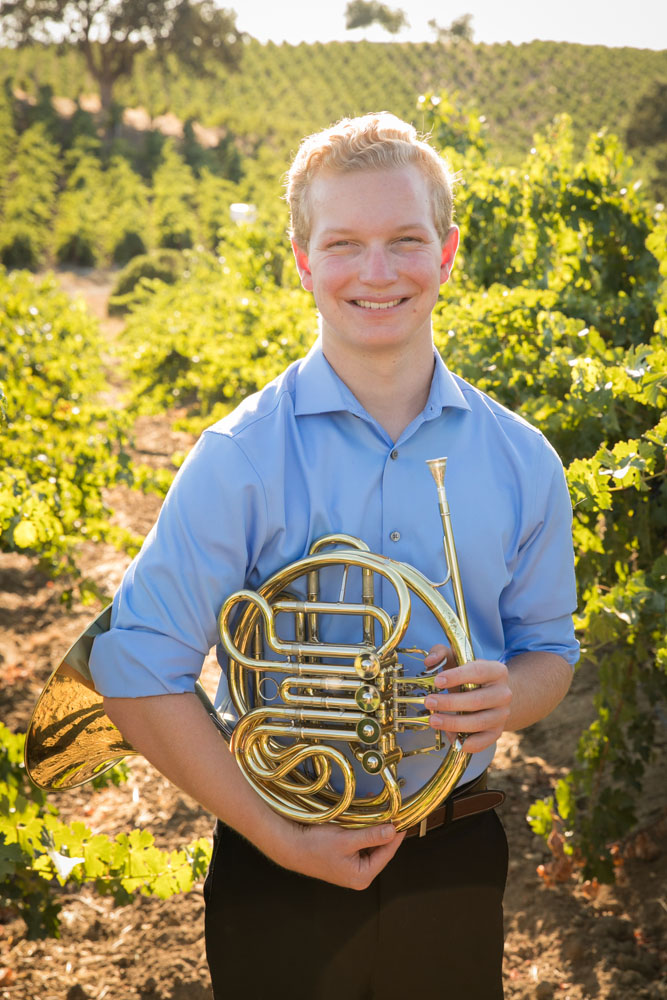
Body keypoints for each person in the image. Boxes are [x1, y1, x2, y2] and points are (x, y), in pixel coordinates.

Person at [89, 112, 579, 999]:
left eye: (405, 240)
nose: (377, 271)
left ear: (449, 251)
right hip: (278, 848)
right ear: (302, 260)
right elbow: (134, 672)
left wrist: (511, 698)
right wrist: (280, 838)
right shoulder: (239, 455)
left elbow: (550, 651)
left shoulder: (522, 459)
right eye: (344, 243)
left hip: (457, 853)